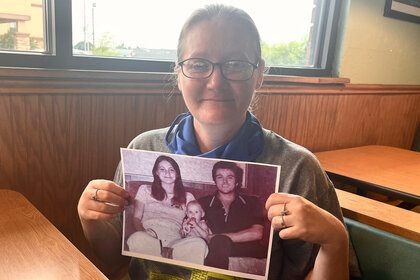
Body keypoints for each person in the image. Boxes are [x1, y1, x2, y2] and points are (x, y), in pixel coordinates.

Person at [78, 4, 356, 280]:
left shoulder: (297, 168)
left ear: (259, 74)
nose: (215, 81)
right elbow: (114, 261)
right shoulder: (143, 149)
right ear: (178, 73)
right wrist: (89, 219)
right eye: (198, 64)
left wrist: (335, 241)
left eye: (235, 64)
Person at [125, 155, 208, 264]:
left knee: (200, 244)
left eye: (171, 170)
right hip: (149, 237)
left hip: (176, 242)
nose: (167, 173)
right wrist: (143, 232)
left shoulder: (188, 197)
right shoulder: (144, 190)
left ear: (177, 174)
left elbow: (195, 219)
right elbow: (136, 217)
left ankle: (167, 257)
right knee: (136, 238)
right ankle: (164, 261)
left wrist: (189, 229)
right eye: (162, 169)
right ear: (156, 172)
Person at [199, 161, 266, 269]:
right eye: (220, 177)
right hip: (214, 252)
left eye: (230, 177)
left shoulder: (252, 202)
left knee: (219, 241)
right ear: (215, 181)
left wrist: (218, 237)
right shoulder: (203, 203)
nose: (225, 182)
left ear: (237, 181)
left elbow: (257, 233)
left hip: (247, 250)